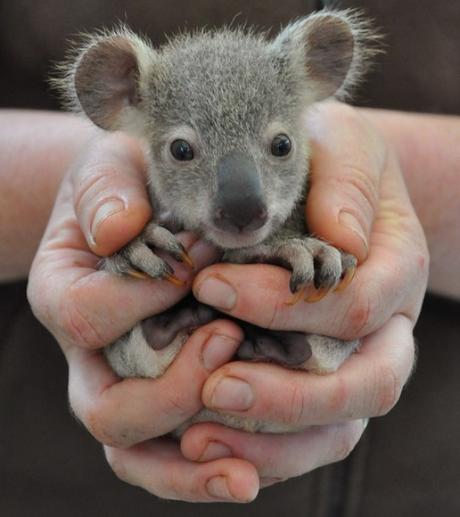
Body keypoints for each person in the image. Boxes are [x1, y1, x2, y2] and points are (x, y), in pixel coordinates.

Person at [0, 0, 459, 515]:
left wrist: (366, 201)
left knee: (326, 306)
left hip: (420, 477)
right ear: (119, 96)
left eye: (280, 147)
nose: (243, 201)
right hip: (58, 472)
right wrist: (102, 216)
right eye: (182, 151)